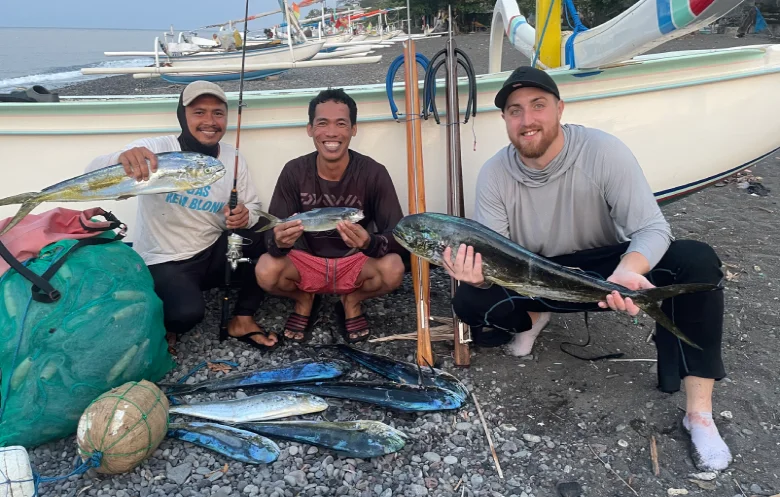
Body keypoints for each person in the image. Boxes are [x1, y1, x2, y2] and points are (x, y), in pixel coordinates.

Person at [443, 66, 732, 472]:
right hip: (537, 271)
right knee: (469, 299)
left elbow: (651, 226)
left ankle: (699, 414)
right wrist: (475, 273)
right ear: (505, 120)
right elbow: (495, 253)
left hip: (606, 265)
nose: (527, 120)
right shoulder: (494, 173)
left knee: (697, 261)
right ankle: (532, 317)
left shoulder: (602, 150)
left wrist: (629, 269)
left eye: (538, 105)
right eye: (515, 110)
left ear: (560, 108)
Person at [85, 81, 278, 351]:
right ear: (182, 115)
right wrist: (123, 158)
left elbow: (255, 208)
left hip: (212, 252)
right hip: (166, 260)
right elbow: (93, 169)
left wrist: (245, 217)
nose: (210, 121)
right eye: (199, 112)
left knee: (267, 234)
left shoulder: (234, 158)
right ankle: (167, 314)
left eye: (218, 113)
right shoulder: (156, 148)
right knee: (185, 315)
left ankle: (243, 318)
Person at [255, 88, 406, 344]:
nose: (332, 133)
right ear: (310, 129)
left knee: (393, 269)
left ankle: (352, 300)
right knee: (266, 270)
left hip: (354, 263)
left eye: (341, 124)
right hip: (306, 262)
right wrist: (279, 241)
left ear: (353, 129)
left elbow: (398, 234)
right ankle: (305, 299)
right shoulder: (294, 171)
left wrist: (369, 243)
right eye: (322, 123)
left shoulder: (373, 172)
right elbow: (272, 239)